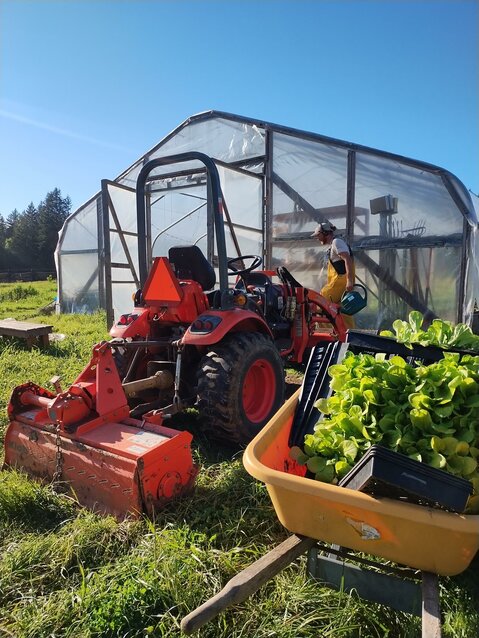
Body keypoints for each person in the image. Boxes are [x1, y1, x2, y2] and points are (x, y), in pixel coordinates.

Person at [311, 221, 356, 327]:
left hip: (340, 283)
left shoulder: (337, 242)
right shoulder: (332, 246)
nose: (317, 238)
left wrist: (349, 281)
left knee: (319, 304)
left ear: (325, 233)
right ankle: (348, 334)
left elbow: (347, 259)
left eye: (318, 235)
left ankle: (324, 333)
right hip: (338, 283)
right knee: (342, 311)